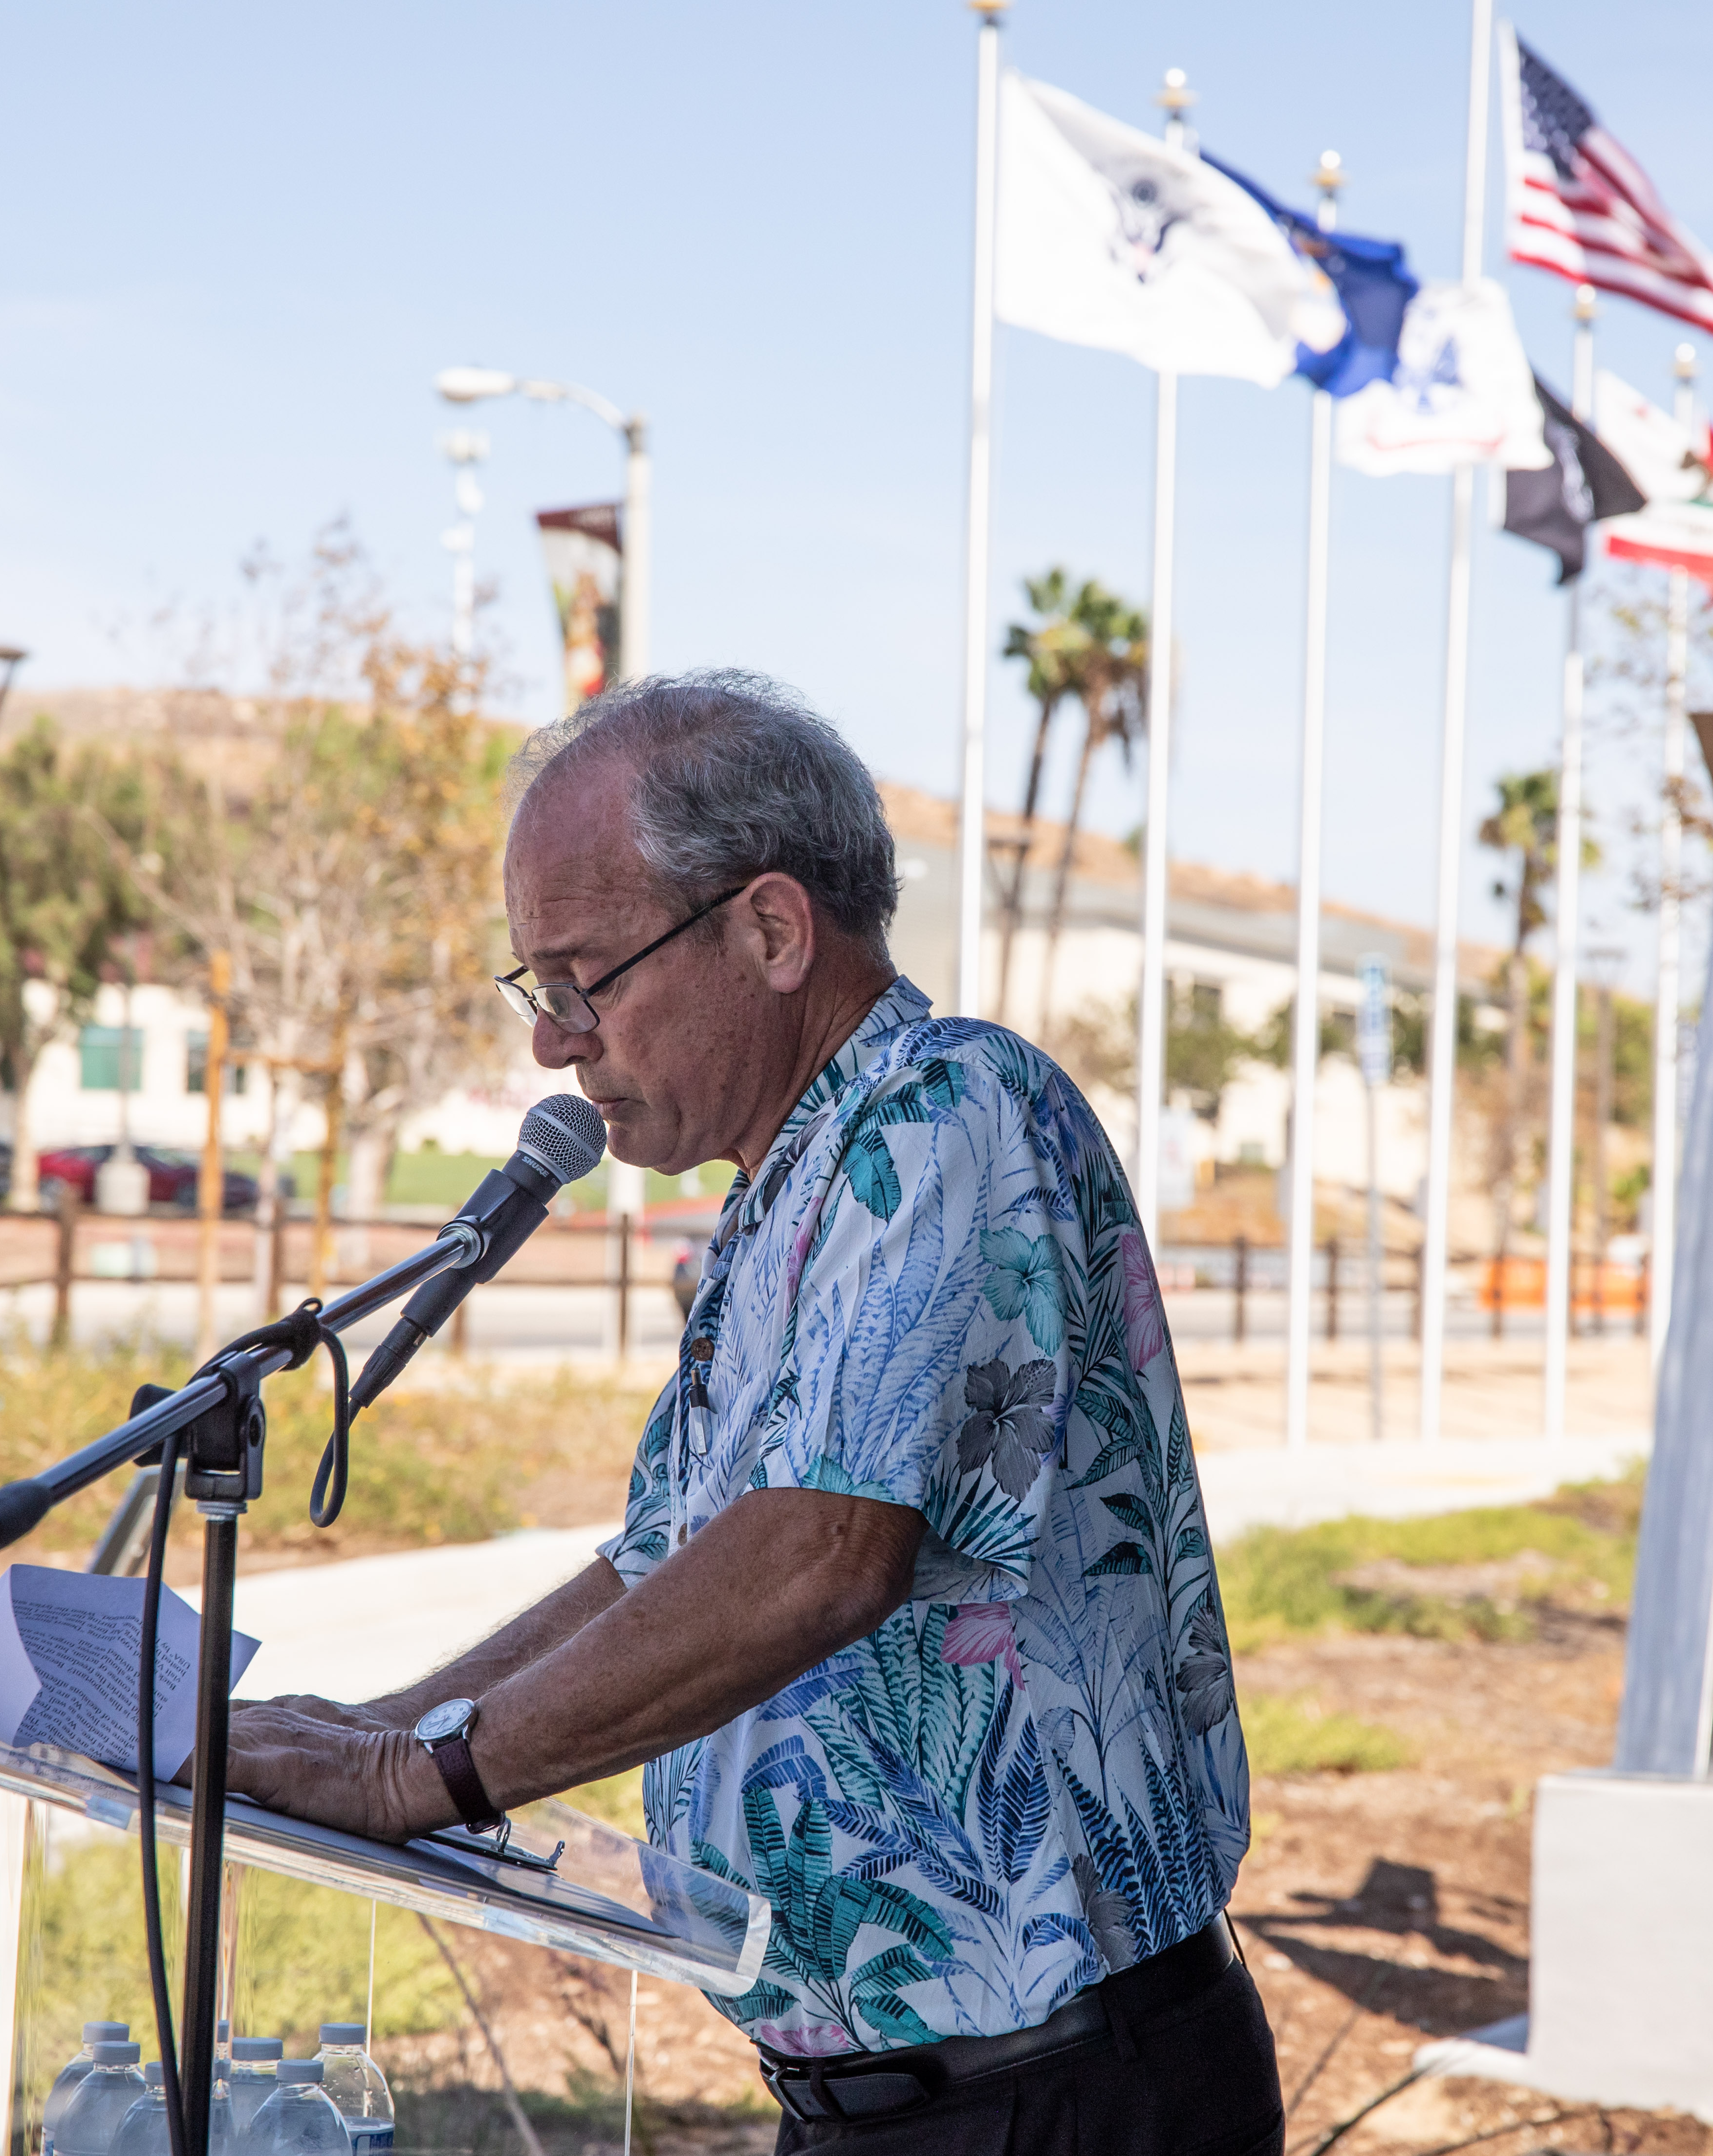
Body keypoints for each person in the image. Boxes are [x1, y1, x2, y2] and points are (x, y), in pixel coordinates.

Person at [226, 671, 1274, 2154]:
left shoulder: (945, 1108)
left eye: (585, 977)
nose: (556, 1041)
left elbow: (817, 1553)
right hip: (888, 2097)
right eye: (541, 989)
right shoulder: (783, 1193)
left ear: (772, 932)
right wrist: (384, 1726)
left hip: (1053, 2086)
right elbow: (660, 1562)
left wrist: (422, 1773)